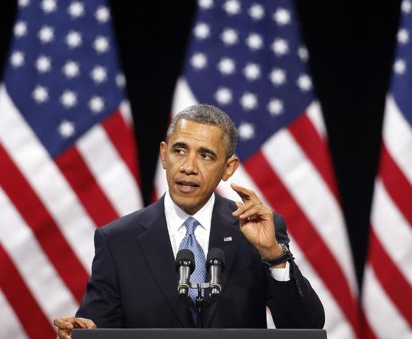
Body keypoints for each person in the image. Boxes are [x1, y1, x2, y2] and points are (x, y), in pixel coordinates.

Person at [54, 104, 325, 338]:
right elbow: (96, 327)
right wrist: (82, 333)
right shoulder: (117, 240)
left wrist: (273, 255)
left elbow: (307, 328)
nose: (189, 167)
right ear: (164, 155)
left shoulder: (256, 232)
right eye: (180, 151)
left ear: (228, 168)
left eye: (206, 155)